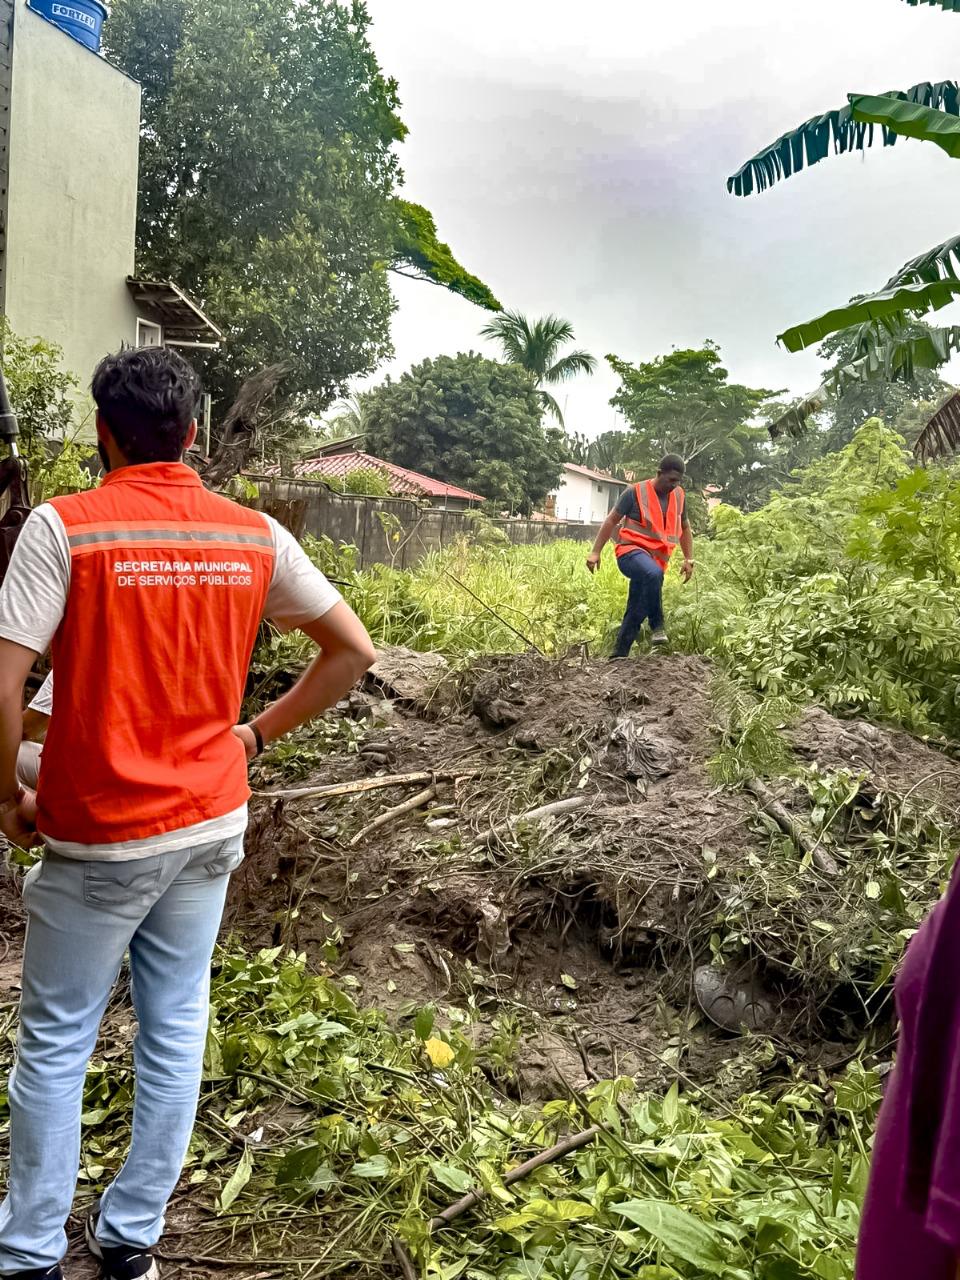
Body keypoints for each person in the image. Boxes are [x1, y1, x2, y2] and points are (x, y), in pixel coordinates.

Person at [0, 347, 377, 1280]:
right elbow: (351, 651)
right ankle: (131, 1240)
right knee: (174, 1027)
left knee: (56, 1040)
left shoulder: (64, 528)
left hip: (103, 834)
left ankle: (30, 1251)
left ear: (104, 432)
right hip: (209, 826)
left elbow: (5, 684)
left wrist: (7, 796)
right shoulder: (254, 535)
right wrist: (254, 736)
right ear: (194, 433)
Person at [586, 454, 694, 656]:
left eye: (678, 481)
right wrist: (595, 552)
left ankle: (618, 656)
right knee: (653, 574)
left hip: (655, 562)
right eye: (671, 480)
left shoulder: (679, 496)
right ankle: (657, 625)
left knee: (637, 608)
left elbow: (685, 528)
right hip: (630, 553)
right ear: (659, 473)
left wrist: (689, 559)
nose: (674, 485)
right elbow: (611, 521)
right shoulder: (634, 492)